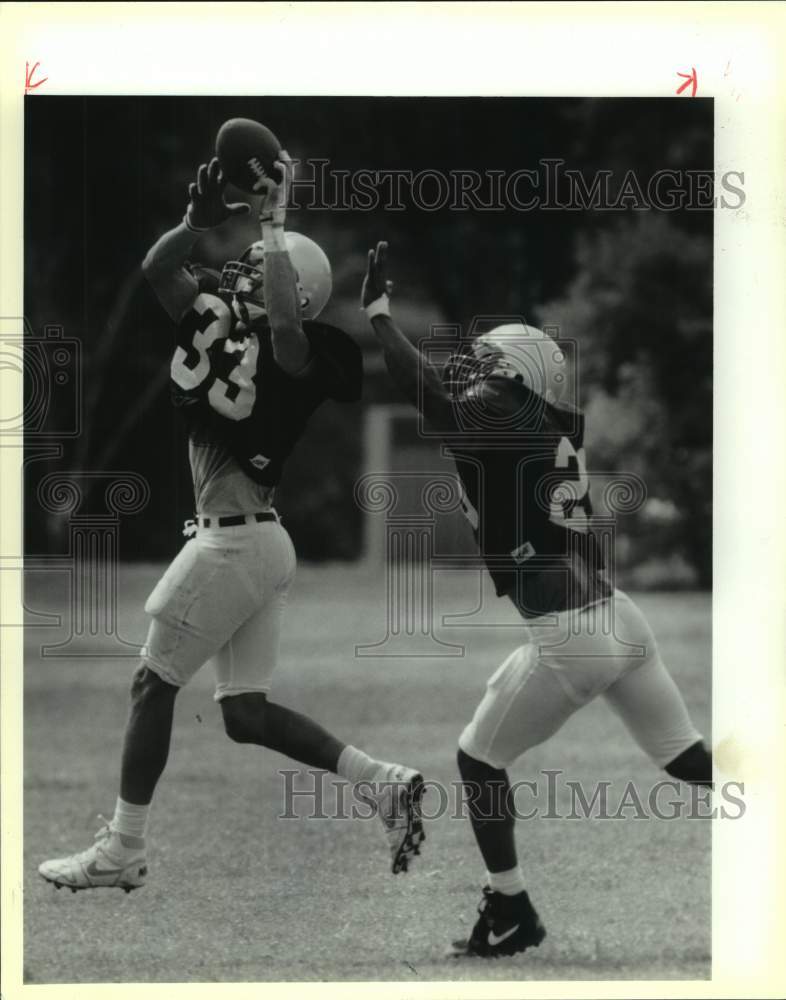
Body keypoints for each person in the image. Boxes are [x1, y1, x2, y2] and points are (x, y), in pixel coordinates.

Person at [38, 160, 425, 894]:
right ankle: (381, 781)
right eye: (244, 261)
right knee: (244, 714)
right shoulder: (219, 314)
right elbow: (156, 270)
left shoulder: (301, 350)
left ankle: (123, 847)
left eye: (259, 264)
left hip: (235, 538)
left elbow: (283, 323)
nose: (242, 270)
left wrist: (274, 223)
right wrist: (198, 222)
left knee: (153, 683)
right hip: (253, 538)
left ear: (294, 286)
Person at [360, 241, 712, 958]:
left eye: (488, 360)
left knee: (478, 760)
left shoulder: (504, 406)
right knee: (692, 764)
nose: (474, 369)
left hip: (571, 631)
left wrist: (378, 318)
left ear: (513, 373)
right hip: (620, 619)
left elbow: (432, 399)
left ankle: (512, 907)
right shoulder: (540, 422)